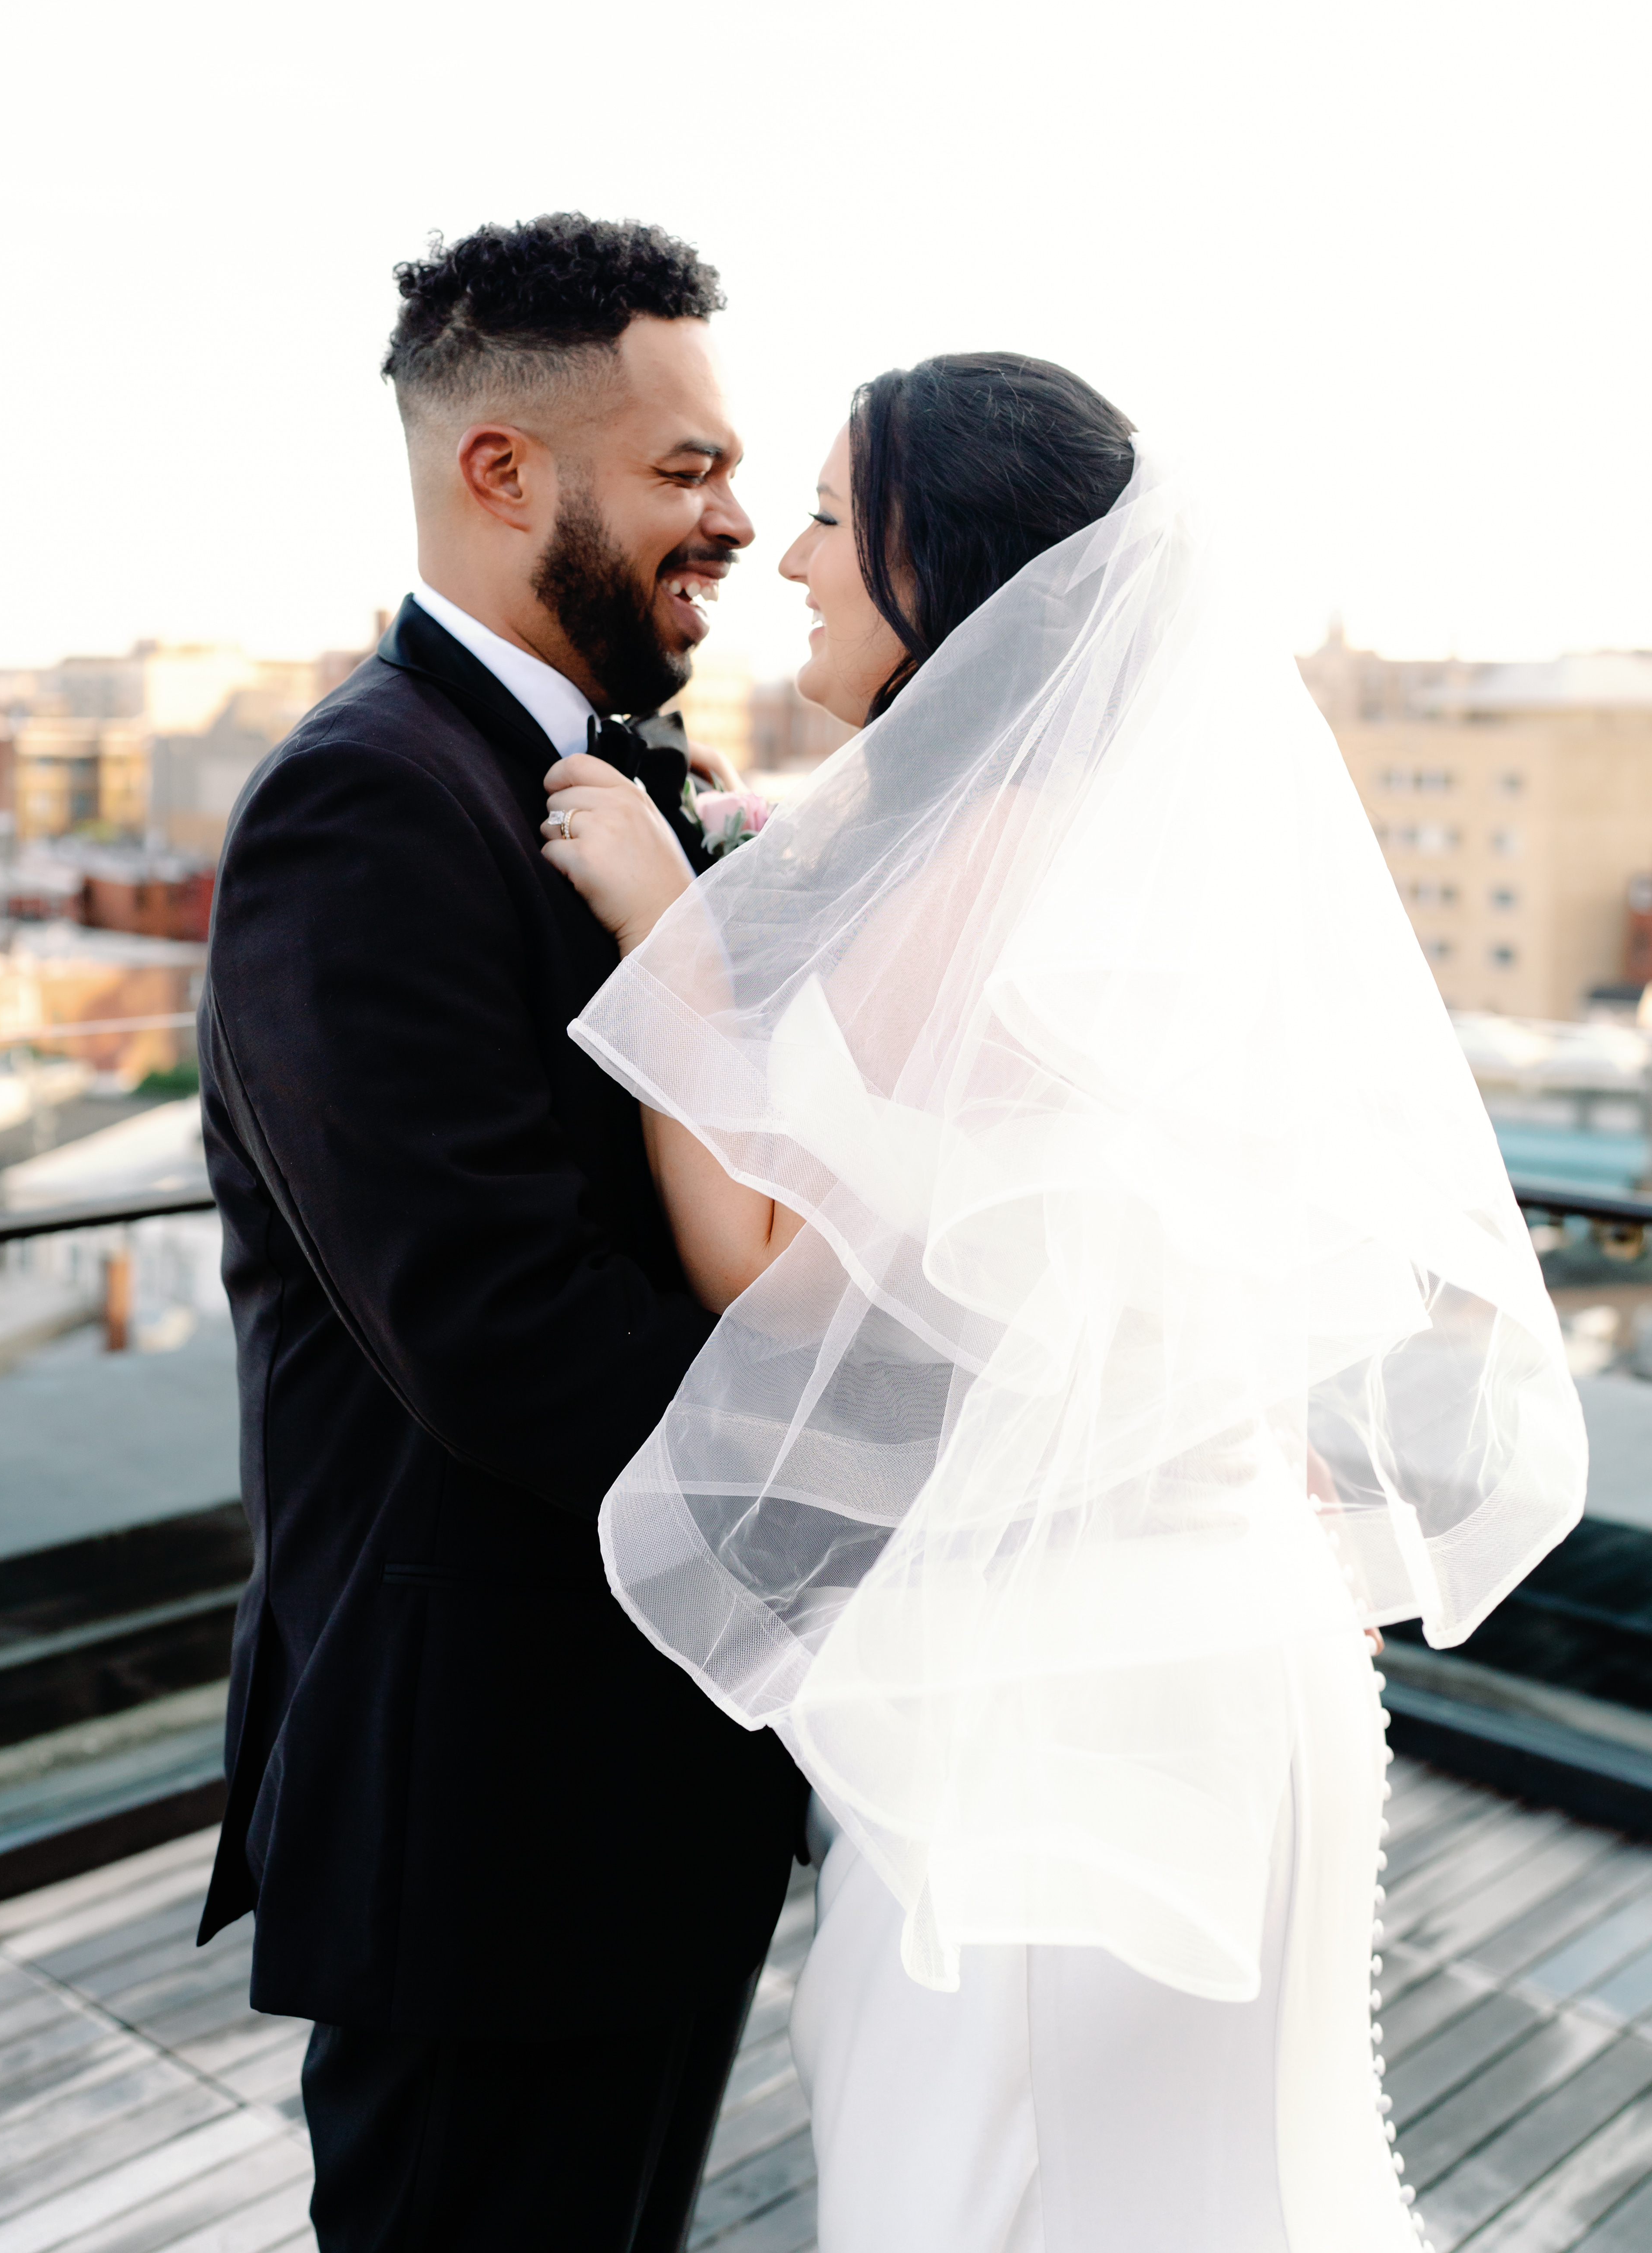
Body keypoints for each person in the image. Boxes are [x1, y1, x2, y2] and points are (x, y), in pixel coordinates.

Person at [540, 352, 1588, 2252]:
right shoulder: (1108, 845)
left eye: (837, 523)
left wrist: (659, 939)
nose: (790, 556)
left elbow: (777, 1278)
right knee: (1222, 2178)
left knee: (990, 2187)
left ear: (947, 577)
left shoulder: (975, 866)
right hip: (1208, 1625)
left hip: (1062, 1702)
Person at [195, 214, 808, 2253]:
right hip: (483, 1812)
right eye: (688, 468)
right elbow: (495, 1326)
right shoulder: (361, 807)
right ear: (503, 473)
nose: (733, 514)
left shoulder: (662, 788)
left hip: (664, 1777)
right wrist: (872, 1462)